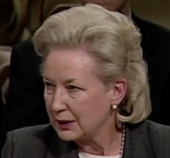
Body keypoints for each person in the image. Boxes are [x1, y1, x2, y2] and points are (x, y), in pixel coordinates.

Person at [2, 4, 170, 158]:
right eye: (49, 85)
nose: (56, 105)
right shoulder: (23, 148)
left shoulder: (162, 146)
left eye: (73, 88)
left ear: (117, 91)